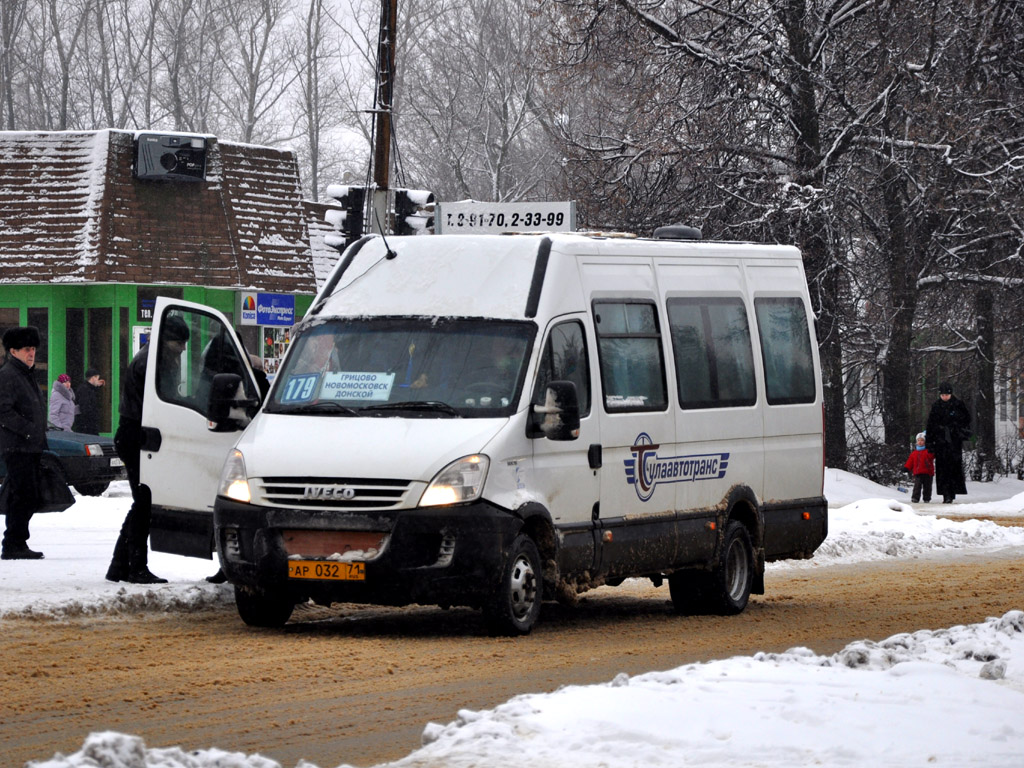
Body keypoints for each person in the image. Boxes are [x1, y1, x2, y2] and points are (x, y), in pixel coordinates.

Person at [106, 315, 190, 584]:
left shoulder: (153, 356)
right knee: (144, 503)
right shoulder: (154, 361)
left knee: (142, 503)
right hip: (138, 436)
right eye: (179, 342)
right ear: (167, 340)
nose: (184, 348)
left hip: (135, 435)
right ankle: (135, 567)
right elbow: (159, 404)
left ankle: (120, 565)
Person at [0, 326, 47, 559]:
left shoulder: (26, 373)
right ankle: (13, 544)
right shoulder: (8, 375)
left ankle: (16, 542)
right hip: (17, 446)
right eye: (27, 349)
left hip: (29, 446)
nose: (32, 353)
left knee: (25, 495)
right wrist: (29, 431)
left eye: (34, 349)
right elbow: (3, 412)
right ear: (13, 351)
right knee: (24, 495)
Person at [926, 382, 971, 504]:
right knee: (942, 469)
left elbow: (967, 420)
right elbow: (930, 424)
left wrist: (958, 430)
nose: (944, 397)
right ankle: (946, 494)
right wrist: (930, 442)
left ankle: (952, 492)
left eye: (946, 395)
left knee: (954, 468)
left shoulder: (958, 405)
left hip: (954, 441)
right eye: (943, 395)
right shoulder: (936, 406)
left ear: (950, 394)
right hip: (941, 442)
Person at [903, 432, 935, 503]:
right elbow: (910, 461)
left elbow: (932, 456)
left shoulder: (928, 451)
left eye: (922, 440)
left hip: (928, 473)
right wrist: (907, 467)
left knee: (927, 487)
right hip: (918, 473)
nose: (920, 442)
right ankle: (915, 498)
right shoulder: (914, 453)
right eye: (918, 440)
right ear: (916, 442)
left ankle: (927, 498)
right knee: (917, 487)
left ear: (925, 442)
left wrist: (932, 449)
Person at [73, 368, 104, 435]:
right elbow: (85, 407)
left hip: (87, 424)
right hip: (86, 425)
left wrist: (98, 386)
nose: (98, 380)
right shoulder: (85, 389)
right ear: (93, 378)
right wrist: (92, 418)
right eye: (97, 378)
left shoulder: (87, 388)